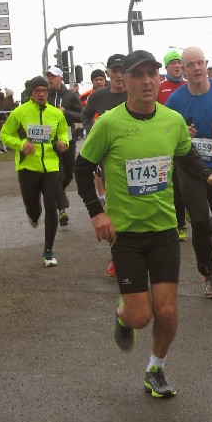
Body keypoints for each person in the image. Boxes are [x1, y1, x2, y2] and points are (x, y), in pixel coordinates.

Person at [74, 50, 212, 398]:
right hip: (126, 234)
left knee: (167, 310)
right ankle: (124, 314)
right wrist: (96, 213)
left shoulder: (172, 120)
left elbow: (187, 158)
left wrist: (208, 175)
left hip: (163, 230)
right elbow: (82, 168)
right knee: (140, 317)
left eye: (152, 74)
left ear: (159, 78)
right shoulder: (109, 123)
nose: (146, 81)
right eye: (138, 75)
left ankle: (155, 369)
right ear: (125, 81)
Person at [166, 47, 212, 298]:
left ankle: (206, 230)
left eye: (199, 63)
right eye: (190, 65)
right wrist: (180, 133)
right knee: (197, 220)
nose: (196, 68)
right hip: (190, 167)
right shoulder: (175, 101)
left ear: (206, 64)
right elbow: (166, 136)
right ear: (184, 70)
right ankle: (209, 273)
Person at [0, 76, 68, 267]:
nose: (41, 94)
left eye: (44, 90)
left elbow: (63, 132)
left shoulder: (56, 114)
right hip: (28, 167)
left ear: (48, 92)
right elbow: (4, 134)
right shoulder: (20, 112)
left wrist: (63, 142)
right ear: (31, 93)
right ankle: (33, 215)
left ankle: (48, 251)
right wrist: (21, 144)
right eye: (37, 90)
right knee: (33, 207)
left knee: (51, 207)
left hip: (51, 167)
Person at [81, 54, 128, 278]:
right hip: (108, 159)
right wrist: (92, 132)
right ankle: (116, 256)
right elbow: (86, 115)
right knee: (114, 207)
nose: (119, 75)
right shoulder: (99, 96)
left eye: (122, 70)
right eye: (115, 71)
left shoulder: (135, 93)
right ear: (108, 73)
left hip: (136, 157)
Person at [46, 65, 84, 227]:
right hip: (49, 138)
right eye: (48, 76)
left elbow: (82, 115)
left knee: (68, 174)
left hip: (68, 136)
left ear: (61, 78)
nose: (50, 79)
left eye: (53, 76)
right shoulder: (44, 95)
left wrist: (65, 112)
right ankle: (61, 209)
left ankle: (58, 193)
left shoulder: (70, 95)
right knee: (57, 174)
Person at [157, 50, 187, 241]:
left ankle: (187, 214)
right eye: (173, 63)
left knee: (190, 182)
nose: (177, 66)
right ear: (166, 66)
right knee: (174, 185)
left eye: (179, 62)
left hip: (189, 140)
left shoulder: (188, 85)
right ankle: (179, 224)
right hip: (167, 142)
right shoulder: (160, 87)